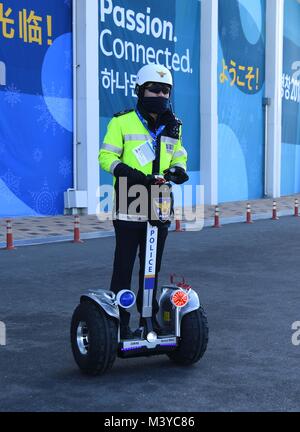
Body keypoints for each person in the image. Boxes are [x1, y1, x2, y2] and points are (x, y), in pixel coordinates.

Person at [99, 63, 189, 339]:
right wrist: (129, 172)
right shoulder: (121, 122)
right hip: (130, 199)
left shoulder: (174, 125)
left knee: (152, 267)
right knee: (124, 266)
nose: (160, 95)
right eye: (154, 89)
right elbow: (106, 158)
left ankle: (147, 320)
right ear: (140, 90)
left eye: (165, 91)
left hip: (160, 202)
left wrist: (179, 170)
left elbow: (179, 154)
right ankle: (118, 323)